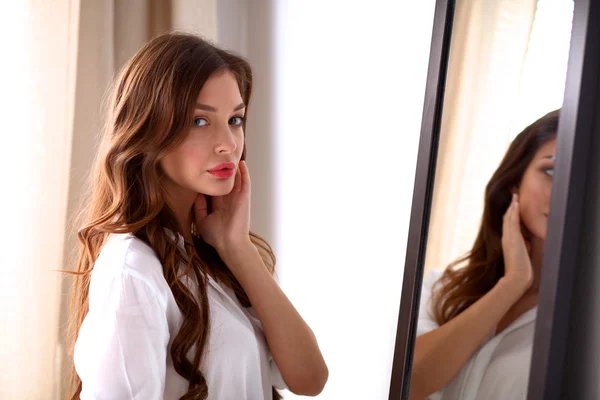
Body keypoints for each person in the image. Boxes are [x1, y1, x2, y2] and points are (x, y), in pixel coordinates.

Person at [65, 32, 328, 400]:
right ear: (149, 128)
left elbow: (310, 378)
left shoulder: (208, 258)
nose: (229, 144)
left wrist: (236, 246)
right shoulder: (132, 270)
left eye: (235, 119)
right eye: (200, 122)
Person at [410, 110, 560, 400]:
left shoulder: (586, 325)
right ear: (515, 183)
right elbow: (408, 382)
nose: (565, 191)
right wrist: (513, 282)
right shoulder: (440, 289)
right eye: (551, 172)